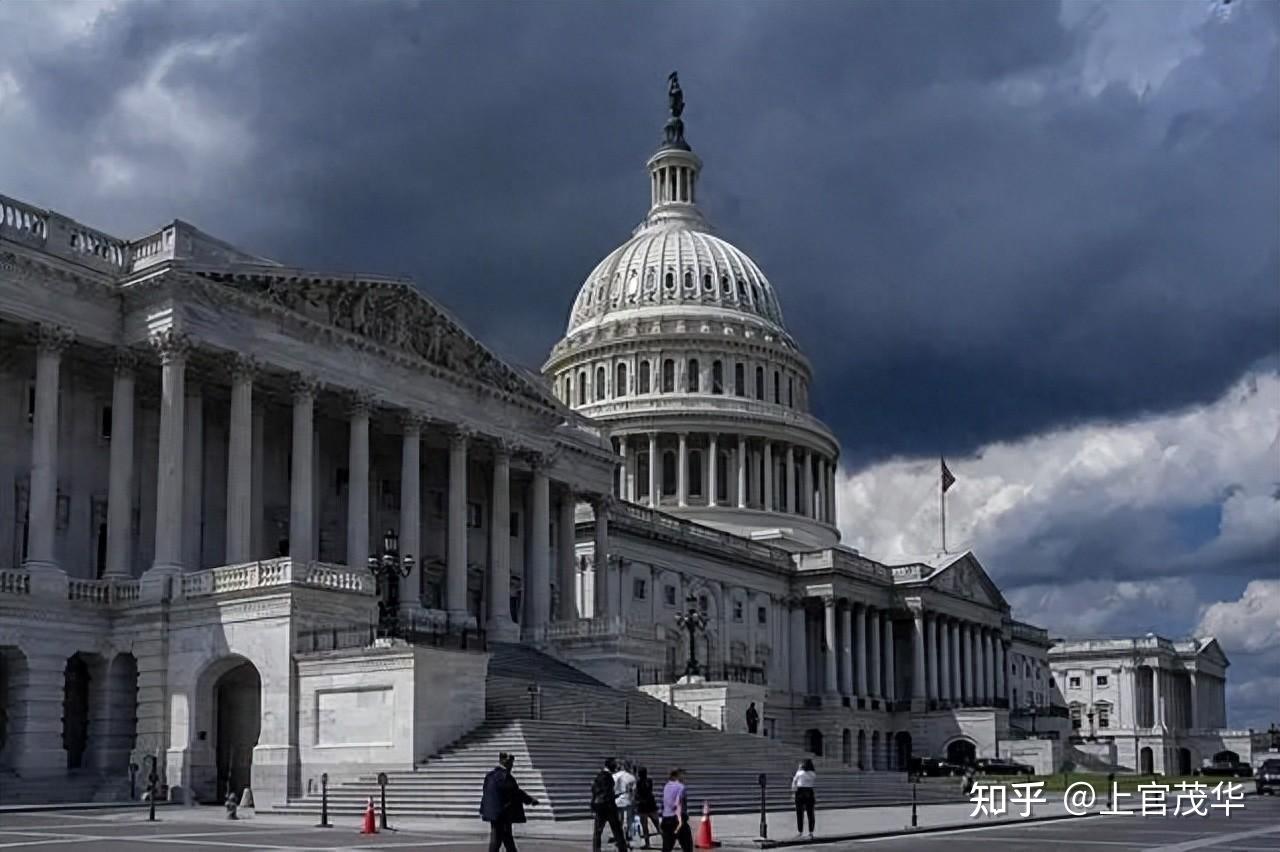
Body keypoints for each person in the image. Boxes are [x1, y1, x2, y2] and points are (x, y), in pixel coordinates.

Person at [480, 752, 538, 852]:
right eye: (510, 764)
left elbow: (486, 791)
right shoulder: (506, 777)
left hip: (493, 812)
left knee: (504, 837)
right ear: (506, 763)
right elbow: (516, 792)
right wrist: (530, 800)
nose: (511, 766)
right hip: (503, 812)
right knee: (499, 838)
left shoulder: (490, 776)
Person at [591, 757, 628, 852]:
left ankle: (596, 849)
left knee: (598, 831)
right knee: (617, 830)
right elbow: (607, 793)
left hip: (599, 807)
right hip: (608, 807)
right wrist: (614, 797)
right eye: (614, 764)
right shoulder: (607, 777)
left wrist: (594, 805)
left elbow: (594, 791)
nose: (616, 766)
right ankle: (623, 849)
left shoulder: (599, 776)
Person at [660, 768, 693, 852]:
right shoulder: (681, 787)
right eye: (682, 775)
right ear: (677, 776)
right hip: (677, 819)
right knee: (687, 846)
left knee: (667, 847)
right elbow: (678, 803)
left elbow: (664, 803)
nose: (684, 777)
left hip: (666, 819)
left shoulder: (666, 786)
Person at [634, 766, 661, 849]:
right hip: (651, 805)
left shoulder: (638, 782)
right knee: (657, 825)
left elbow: (637, 793)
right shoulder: (649, 781)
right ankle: (666, 841)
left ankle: (647, 843)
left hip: (642, 807)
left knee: (645, 827)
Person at [791, 758, 817, 840]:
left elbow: (794, 781)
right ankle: (811, 832)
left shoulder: (800, 772)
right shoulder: (813, 773)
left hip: (800, 792)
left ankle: (800, 831)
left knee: (799, 812)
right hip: (809, 792)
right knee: (810, 813)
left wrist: (793, 791)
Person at [614, 760, 638, 845]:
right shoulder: (631, 777)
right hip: (628, 799)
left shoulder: (615, 776)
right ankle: (627, 835)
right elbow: (634, 791)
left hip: (617, 799)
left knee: (619, 820)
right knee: (628, 819)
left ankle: (619, 836)